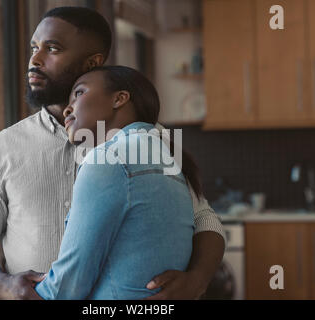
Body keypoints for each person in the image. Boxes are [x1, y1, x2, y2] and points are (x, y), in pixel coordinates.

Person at [0, 6, 225, 300]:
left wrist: (197, 281)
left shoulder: (149, 141)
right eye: (34, 47)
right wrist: (2, 285)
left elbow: (205, 220)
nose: (34, 59)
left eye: (52, 48)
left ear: (93, 62)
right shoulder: (2, 149)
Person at [35, 65, 200, 299]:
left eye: (79, 93)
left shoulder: (109, 158)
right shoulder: (166, 157)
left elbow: (66, 289)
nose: (67, 109)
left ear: (119, 98)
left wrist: (11, 290)